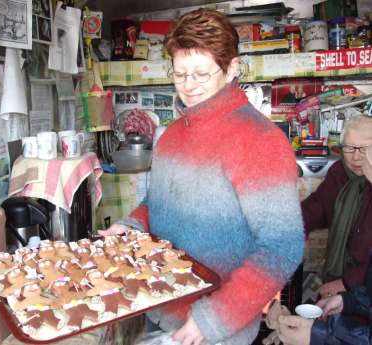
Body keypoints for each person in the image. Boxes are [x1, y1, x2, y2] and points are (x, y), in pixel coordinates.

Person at [99, 8, 304, 345]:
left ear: (232, 68)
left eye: (201, 74)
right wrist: (131, 228)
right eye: (180, 74)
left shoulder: (259, 140)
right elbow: (158, 203)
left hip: (216, 326)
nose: (189, 86)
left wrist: (213, 319)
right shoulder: (172, 135)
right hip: (159, 305)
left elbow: (281, 247)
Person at [302, 115, 372, 299]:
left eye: (364, 148)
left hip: (364, 286)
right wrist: (290, 228)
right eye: (349, 148)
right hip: (335, 272)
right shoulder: (339, 172)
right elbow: (317, 207)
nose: (356, 156)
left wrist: (346, 283)